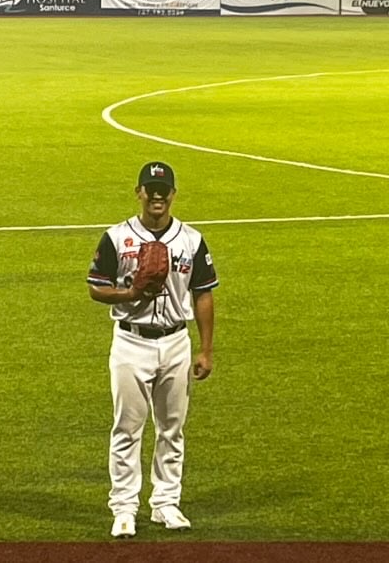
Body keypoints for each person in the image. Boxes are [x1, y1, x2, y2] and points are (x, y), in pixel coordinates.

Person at [87, 161, 218, 539]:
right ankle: (125, 507)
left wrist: (206, 349)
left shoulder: (191, 240)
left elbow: (203, 293)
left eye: (164, 190)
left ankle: (166, 503)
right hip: (130, 342)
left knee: (172, 428)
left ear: (173, 194)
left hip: (177, 341)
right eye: (150, 189)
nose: (157, 197)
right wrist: (128, 294)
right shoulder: (116, 237)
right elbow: (95, 286)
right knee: (127, 427)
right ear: (139, 192)